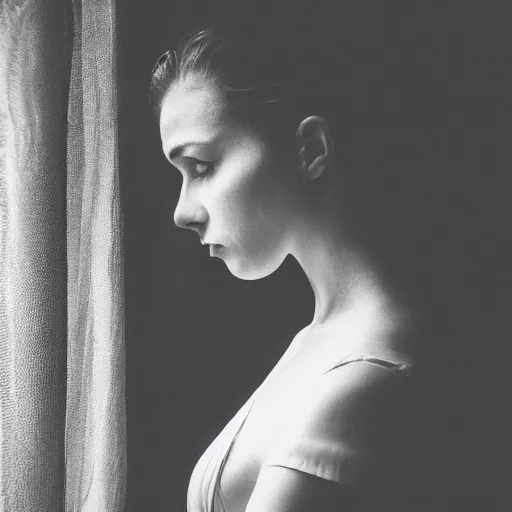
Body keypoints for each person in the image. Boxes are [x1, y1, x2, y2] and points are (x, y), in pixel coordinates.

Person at [149, 7, 508, 511]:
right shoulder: (325, 339)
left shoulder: (367, 372)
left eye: (202, 166)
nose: (182, 213)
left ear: (310, 149)